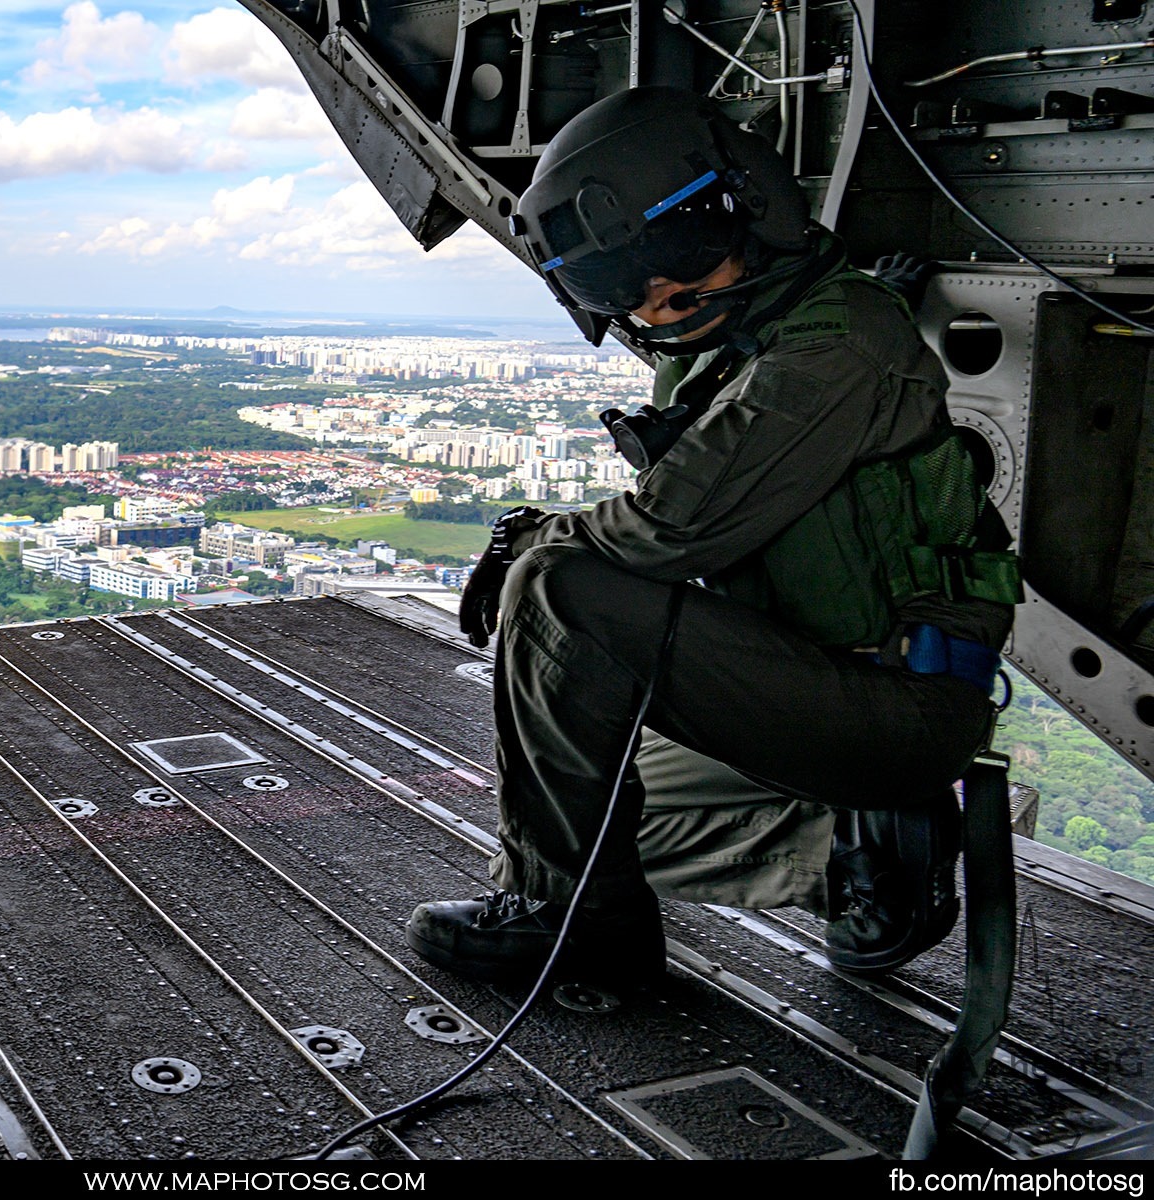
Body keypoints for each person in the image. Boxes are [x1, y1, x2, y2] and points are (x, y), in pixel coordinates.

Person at [404, 88, 1020, 988]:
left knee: (552, 587)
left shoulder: (837, 341)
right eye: (622, 284)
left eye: (678, 256)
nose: (658, 300)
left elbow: (666, 531)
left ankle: (579, 929)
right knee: (574, 811)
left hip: (893, 704)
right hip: (800, 681)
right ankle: (849, 855)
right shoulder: (738, 346)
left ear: (752, 208)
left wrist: (534, 539)